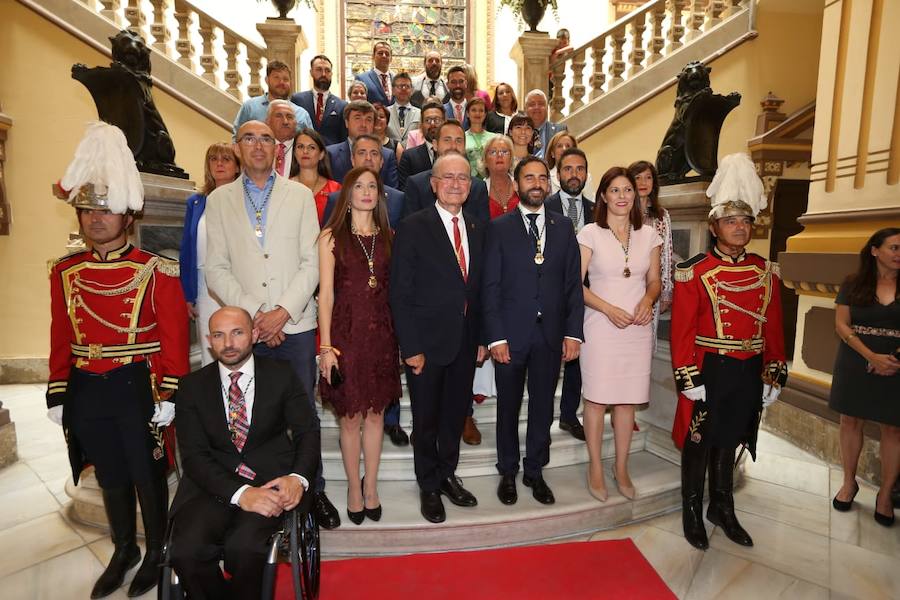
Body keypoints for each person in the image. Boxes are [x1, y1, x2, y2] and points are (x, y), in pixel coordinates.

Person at [47, 122, 189, 598]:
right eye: (87, 211)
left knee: (146, 472)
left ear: (126, 216)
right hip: (88, 384)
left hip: (138, 383)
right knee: (107, 471)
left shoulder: (157, 270)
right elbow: (61, 334)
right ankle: (123, 548)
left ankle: (156, 551)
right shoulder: (65, 271)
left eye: (105, 211)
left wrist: (170, 391)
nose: (95, 219)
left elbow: (172, 339)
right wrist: (58, 387)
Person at [205, 120, 341, 529]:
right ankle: (258, 495)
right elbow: (216, 268)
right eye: (249, 138)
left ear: (276, 150)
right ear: (237, 148)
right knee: (250, 418)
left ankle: (311, 491)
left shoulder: (299, 195)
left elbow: (311, 261)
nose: (259, 145)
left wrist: (282, 310)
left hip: (296, 327)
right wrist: (255, 316)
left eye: (266, 138)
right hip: (245, 333)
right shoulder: (220, 201)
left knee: (303, 417)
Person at [670, 153, 787, 550]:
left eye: (746, 221)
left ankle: (722, 505)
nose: (740, 228)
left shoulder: (765, 270)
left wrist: (775, 370)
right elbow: (682, 332)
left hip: (748, 367)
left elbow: (773, 326)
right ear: (715, 225)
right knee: (700, 439)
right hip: (710, 368)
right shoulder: (695, 270)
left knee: (732, 436)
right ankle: (691, 508)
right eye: (731, 221)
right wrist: (687, 377)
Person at [168, 306, 320, 598]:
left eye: (237, 332)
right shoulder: (191, 387)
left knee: (245, 548)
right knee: (186, 551)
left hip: (269, 482)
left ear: (254, 334)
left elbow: (307, 431)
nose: (228, 343)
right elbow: (195, 457)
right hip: (210, 485)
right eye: (219, 335)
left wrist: (297, 478)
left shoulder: (281, 374)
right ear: (209, 340)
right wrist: (242, 494)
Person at [390, 152, 488, 523]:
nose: (456, 184)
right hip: (426, 346)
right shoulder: (414, 226)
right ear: (433, 183)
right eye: (448, 177)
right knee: (427, 419)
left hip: (465, 342)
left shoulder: (479, 228)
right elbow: (400, 291)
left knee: (453, 416)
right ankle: (428, 484)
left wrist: (482, 337)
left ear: (470, 185)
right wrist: (410, 346)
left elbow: (479, 291)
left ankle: (447, 474)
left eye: (463, 178)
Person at [484, 157, 584, 506]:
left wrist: (574, 333)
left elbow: (573, 284)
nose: (537, 183)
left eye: (543, 178)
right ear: (517, 183)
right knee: (508, 407)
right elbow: (490, 287)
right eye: (530, 177)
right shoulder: (499, 228)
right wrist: (495, 336)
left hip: (551, 336)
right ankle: (508, 471)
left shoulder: (563, 227)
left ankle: (535, 471)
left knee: (543, 407)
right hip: (510, 337)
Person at [318, 167, 402, 525]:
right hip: (345, 338)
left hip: (382, 337)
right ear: (347, 194)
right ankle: (354, 486)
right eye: (359, 186)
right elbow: (325, 297)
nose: (366, 192)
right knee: (351, 419)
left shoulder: (390, 237)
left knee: (376, 415)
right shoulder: (330, 238)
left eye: (373, 186)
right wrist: (326, 347)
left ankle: (372, 487)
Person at [577, 167, 661, 506]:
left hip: (637, 327)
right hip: (600, 324)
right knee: (597, 399)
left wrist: (647, 300)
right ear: (603, 196)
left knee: (626, 401)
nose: (623, 196)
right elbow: (575, 284)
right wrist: (608, 308)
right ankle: (595, 467)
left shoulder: (650, 234)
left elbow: (655, 281)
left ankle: (621, 467)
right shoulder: (589, 233)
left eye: (628, 189)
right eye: (615, 190)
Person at [829, 228, 900, 527]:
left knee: (893, 428)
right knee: (850, 422)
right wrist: (870, 356)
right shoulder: (853, 284)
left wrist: (892, 359)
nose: (899, 254)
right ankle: (849, 483)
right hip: (855, 359)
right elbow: (842, 325)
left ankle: (885, 495)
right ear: (875, 250)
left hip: (896, 364)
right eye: (894, 248)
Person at [546, 148, 596, 440]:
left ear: (586, 174)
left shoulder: (597, 209)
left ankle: (568, 414)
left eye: (580, 169)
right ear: (558, 173)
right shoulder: (545, 205)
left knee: (577, 353)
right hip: (551, 290)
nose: (574, 175)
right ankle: (543, 414)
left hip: (588, 292)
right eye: (568, 169)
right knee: (550, 357)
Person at [180, 142, 241, 366]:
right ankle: (213, 398)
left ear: (237, 167)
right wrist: (188, 294)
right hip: (205, 287)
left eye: (226, 159)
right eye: (214, 159)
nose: (219, 164)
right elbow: (187, 249)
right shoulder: (196, 202)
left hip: (237, 282)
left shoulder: (244, 200)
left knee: (237, 343)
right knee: (210, 347)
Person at [404, 120, 491, 226]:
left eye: (459, 141)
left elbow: (484, 231)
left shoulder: (478, 187)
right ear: (435, 145)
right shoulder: (416, 185)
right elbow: (410, 230)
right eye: (447, 140)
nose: (453, 146)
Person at [629, 160, 675, 349]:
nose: (643, 182)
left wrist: (666, 290)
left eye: (648, 177)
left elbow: (667, 253)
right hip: (628, 282)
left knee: (645, 338)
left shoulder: (662, 215)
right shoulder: (622, 211)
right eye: (637, 177)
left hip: (652, 286)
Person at [326, 100, 399, 187]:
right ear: (346, 122)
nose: (363, 124)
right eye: (357, 118)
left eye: (369, 119)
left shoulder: (387, 155)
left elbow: (392, 194)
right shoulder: (330, 154)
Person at [232, 60, 312, 139]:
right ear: (267, 80)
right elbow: (237, 137)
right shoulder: (250, 107)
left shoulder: (302, 114)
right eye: (276, 78)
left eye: (286, 79)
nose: (281, 82)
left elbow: (311, 142)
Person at [291, 55, 348, 146]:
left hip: (331, 156)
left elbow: (343, 137)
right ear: (311, 72)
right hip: (304, 154)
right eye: (319, 70)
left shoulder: (342, 105)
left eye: (327, 70)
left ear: (331, 74)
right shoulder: (298, 100)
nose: (323, 74)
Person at [289, 127, 340, 226]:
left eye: (311, 147)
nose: (305, 151)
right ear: (294, 153)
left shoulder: (335, 189)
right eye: (300, 147)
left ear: (321, 154)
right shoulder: (284, 187)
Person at [397, 100, 444, 190]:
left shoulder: (454, 154)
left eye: (437, 120)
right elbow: (405, 190)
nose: (432, 124)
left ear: (444, 122)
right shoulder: (409, 157)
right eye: (428, 120)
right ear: (421, 124)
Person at [547, 131, 595, 198]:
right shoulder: (546, 178)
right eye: (559, 146)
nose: (564, 149)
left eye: (568, 146)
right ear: (552, 153)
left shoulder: (586, 177)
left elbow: (590, 202)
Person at [482, 135, 519, 218]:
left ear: (511, 159)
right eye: (493, 152)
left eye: (505, 152)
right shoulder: (477, 191)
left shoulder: (521, 187)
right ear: (485, 160)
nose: (499, 155)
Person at [523, 89, 567, 159]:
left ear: (547, 108)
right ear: (525, 109)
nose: (537, 107)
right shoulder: (518, 132)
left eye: (541, 104)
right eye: (532, 104)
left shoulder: (560, 130)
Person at [386, 72, 421, 146]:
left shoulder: (420, 113)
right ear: (393, 90)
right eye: (400, 86)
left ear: (411, 90)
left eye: (407, 86)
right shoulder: (385, 112)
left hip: (412, 155)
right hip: (391, 154)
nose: (404, 89)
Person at [266, 100, 299, 177]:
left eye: (289, 117)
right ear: (267, 121)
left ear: (296, 123)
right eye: (279, 116)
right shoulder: (260, 148)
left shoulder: (304, 149)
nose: (285, 122)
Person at [463, 97, 495, 177]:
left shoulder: (494, 138)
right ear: (467, 113)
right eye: (473, 110)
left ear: (485, 114)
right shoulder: (462, 138)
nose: (477, 113)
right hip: (468, 181)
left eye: (481, 110)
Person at [356, 41, 395, 106]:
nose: (384, 56)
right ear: (373, 57)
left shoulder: (396, 79)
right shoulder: (362, 79)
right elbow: (357, 104)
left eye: (387, 54)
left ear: (391, 59)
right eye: (380, 53)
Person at [548, 29, 573, 99]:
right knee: (550, 97)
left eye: (564, 42)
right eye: (560, 43)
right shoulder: (554, 50)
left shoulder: (561, 51)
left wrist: (559, 52)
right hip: (549, 79)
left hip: (556, 79)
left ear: (568, 41)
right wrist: (556, 53)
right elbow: (551, 63)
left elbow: (572, 48)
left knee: (554, 97)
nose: (562, 45)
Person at [444, 65, 470, 129]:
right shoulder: (441, 110)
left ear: (466, 83)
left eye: (461, 81)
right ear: (447, 85)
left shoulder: (474, 110)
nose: (457, 85)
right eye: (453, 82)